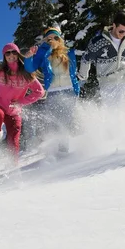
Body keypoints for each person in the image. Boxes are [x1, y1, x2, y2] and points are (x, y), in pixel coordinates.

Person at [0, 43, 45, 159]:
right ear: (4, 56)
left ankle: (13, 168)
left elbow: (39, 91)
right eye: (7, 53)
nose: (11, 55)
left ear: (18, 54)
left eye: (14, 52)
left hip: (14, 111)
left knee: (13, 141)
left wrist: (20, 102)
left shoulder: (26, 73)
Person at [24, 26, 80, 154]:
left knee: (67, 122)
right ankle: (59, 150)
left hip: (68, 91)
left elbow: (73, 73)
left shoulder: (69, 52)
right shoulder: (43, 54)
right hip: (53, 92)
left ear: (60, 39)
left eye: (55, 37)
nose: (52, 40)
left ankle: (66, 150)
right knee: (57, 123)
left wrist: (76, 89)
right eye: (48, 39)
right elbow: (30, 69)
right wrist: (28, 57)